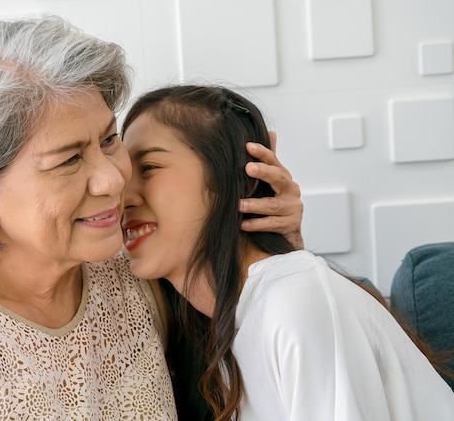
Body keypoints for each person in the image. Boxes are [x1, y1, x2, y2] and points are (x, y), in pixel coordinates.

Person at [0, 17, 303, 420]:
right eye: (67, 160)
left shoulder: (131, 263)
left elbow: (270, 374)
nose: (111, 179)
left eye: (107, 140)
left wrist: (277, 252)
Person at [121, 84, 454, 421]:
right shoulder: (231, 335)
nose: (123, 196)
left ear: (239, 179)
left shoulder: (295, 301)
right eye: (123, 176)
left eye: (149, 167)